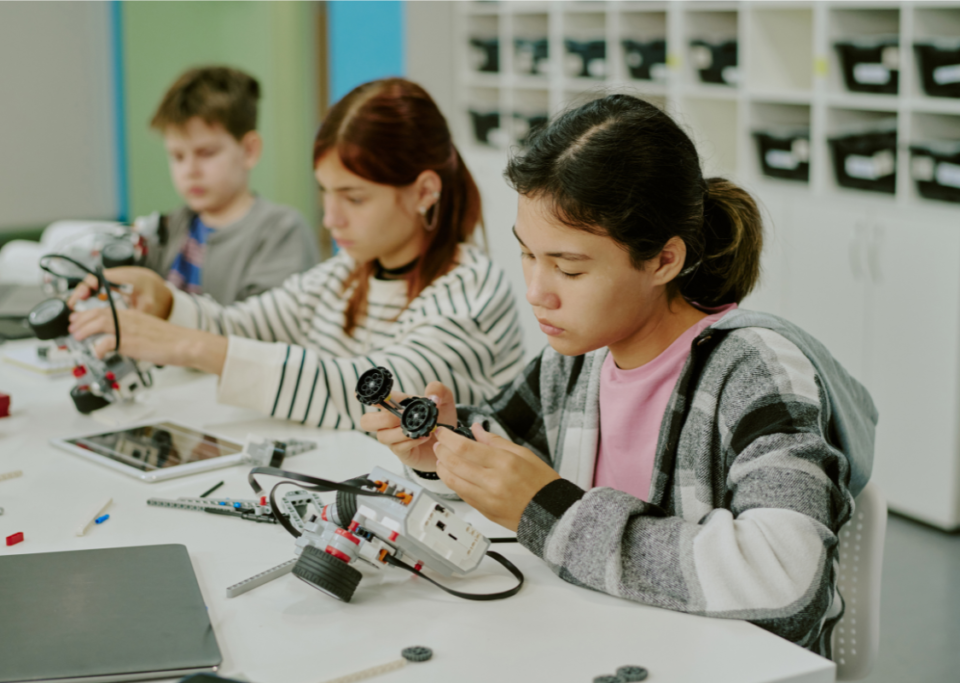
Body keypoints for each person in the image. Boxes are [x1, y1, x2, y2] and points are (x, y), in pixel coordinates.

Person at [362, 94, 877, 656]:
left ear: (663, 260)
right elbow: (507, 457)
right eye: (528, 255)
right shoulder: (575, 360)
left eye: (568, 268)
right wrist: (442, 452)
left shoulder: (755, 371)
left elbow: (787, 581)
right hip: (604, 646)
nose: (536, 291)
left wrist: (553, 512)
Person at [69, 78, 525, 429]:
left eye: (354, 198)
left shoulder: (472, 293)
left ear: (424, 192)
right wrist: (164, 299)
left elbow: (372, 393)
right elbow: (243, 325)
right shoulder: (345, 273)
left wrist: (185, 344)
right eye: (326, 193)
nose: (330, 219)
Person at [143, 66, 319, 305]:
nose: (190, 171)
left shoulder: (281, 232)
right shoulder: (169, 228)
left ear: (249, 150)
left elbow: (260, 324)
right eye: (178, 156)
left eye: (206, 153)